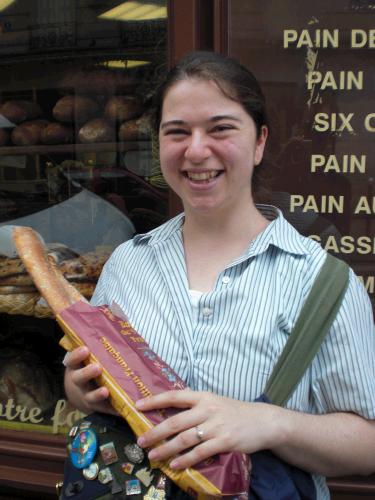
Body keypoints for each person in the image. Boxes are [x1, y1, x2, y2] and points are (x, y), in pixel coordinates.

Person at [63, 51, 375, 498]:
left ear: (260, 140)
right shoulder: (127, 263)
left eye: (220, 128)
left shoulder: (324, 283)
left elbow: (367, 444)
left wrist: (271, 423)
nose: (195, 150)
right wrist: (80, 389)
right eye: (176, 132)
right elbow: (82, 388)